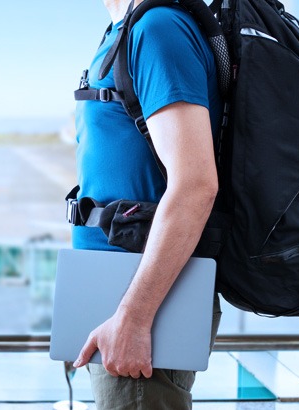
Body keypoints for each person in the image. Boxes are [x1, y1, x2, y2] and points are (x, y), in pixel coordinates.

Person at [69, 0, 223, 409]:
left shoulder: (157, 30)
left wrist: (134, 318)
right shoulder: (125, 31)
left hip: (143, 307)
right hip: (117, 296)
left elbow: (195, 184)